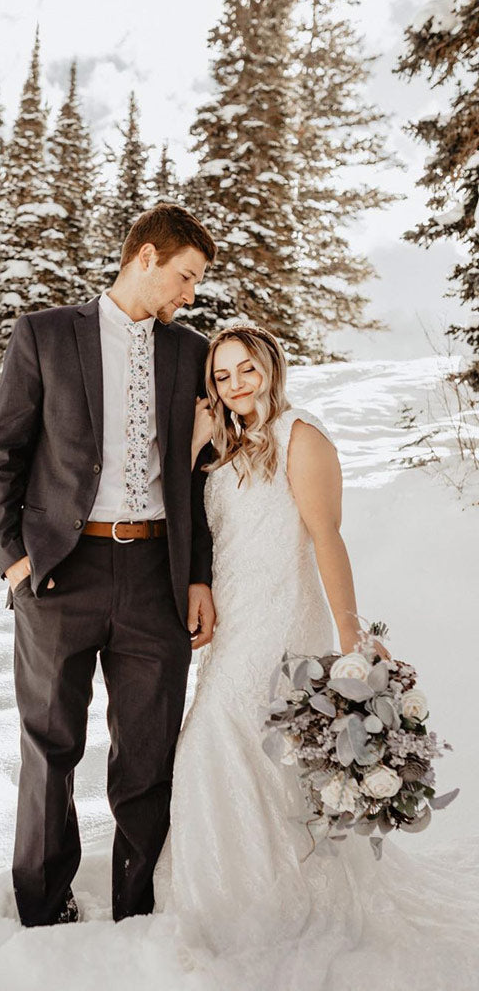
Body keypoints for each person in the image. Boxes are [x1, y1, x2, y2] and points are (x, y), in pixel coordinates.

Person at [154, 324, 479, 986]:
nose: (236, 384)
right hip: (234, 620)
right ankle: (226, 896)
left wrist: (352, 634)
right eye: (222, 376)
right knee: (236, 749)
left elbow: (327, 538)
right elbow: (186, 520)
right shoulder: (224, 444)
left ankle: (262, 904)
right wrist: (190, 446)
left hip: (282, 620)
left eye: (246, 369)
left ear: (271, 366)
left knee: (220, 738)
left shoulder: (301, 434)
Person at [0, 203, 219, 926]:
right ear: (144, 255)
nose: (190, 294)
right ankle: (43, 904)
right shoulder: (47, 335)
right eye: (185, 276)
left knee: (147, 753)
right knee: (50, 746)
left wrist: (198, 575)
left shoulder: (189, 351)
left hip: (156, 575)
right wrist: (15, 564)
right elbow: (3, 459)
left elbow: (198, 477)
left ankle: (138, 906)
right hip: (61, 574)